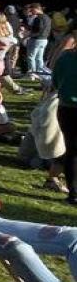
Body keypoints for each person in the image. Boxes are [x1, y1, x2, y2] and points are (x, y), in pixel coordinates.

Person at [53, 40, 77, 206]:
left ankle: (73, 194)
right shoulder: (65, 58)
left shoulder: (64, 58)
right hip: (69, 107)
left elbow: (55, 82)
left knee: (72, 151)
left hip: (66, 108)